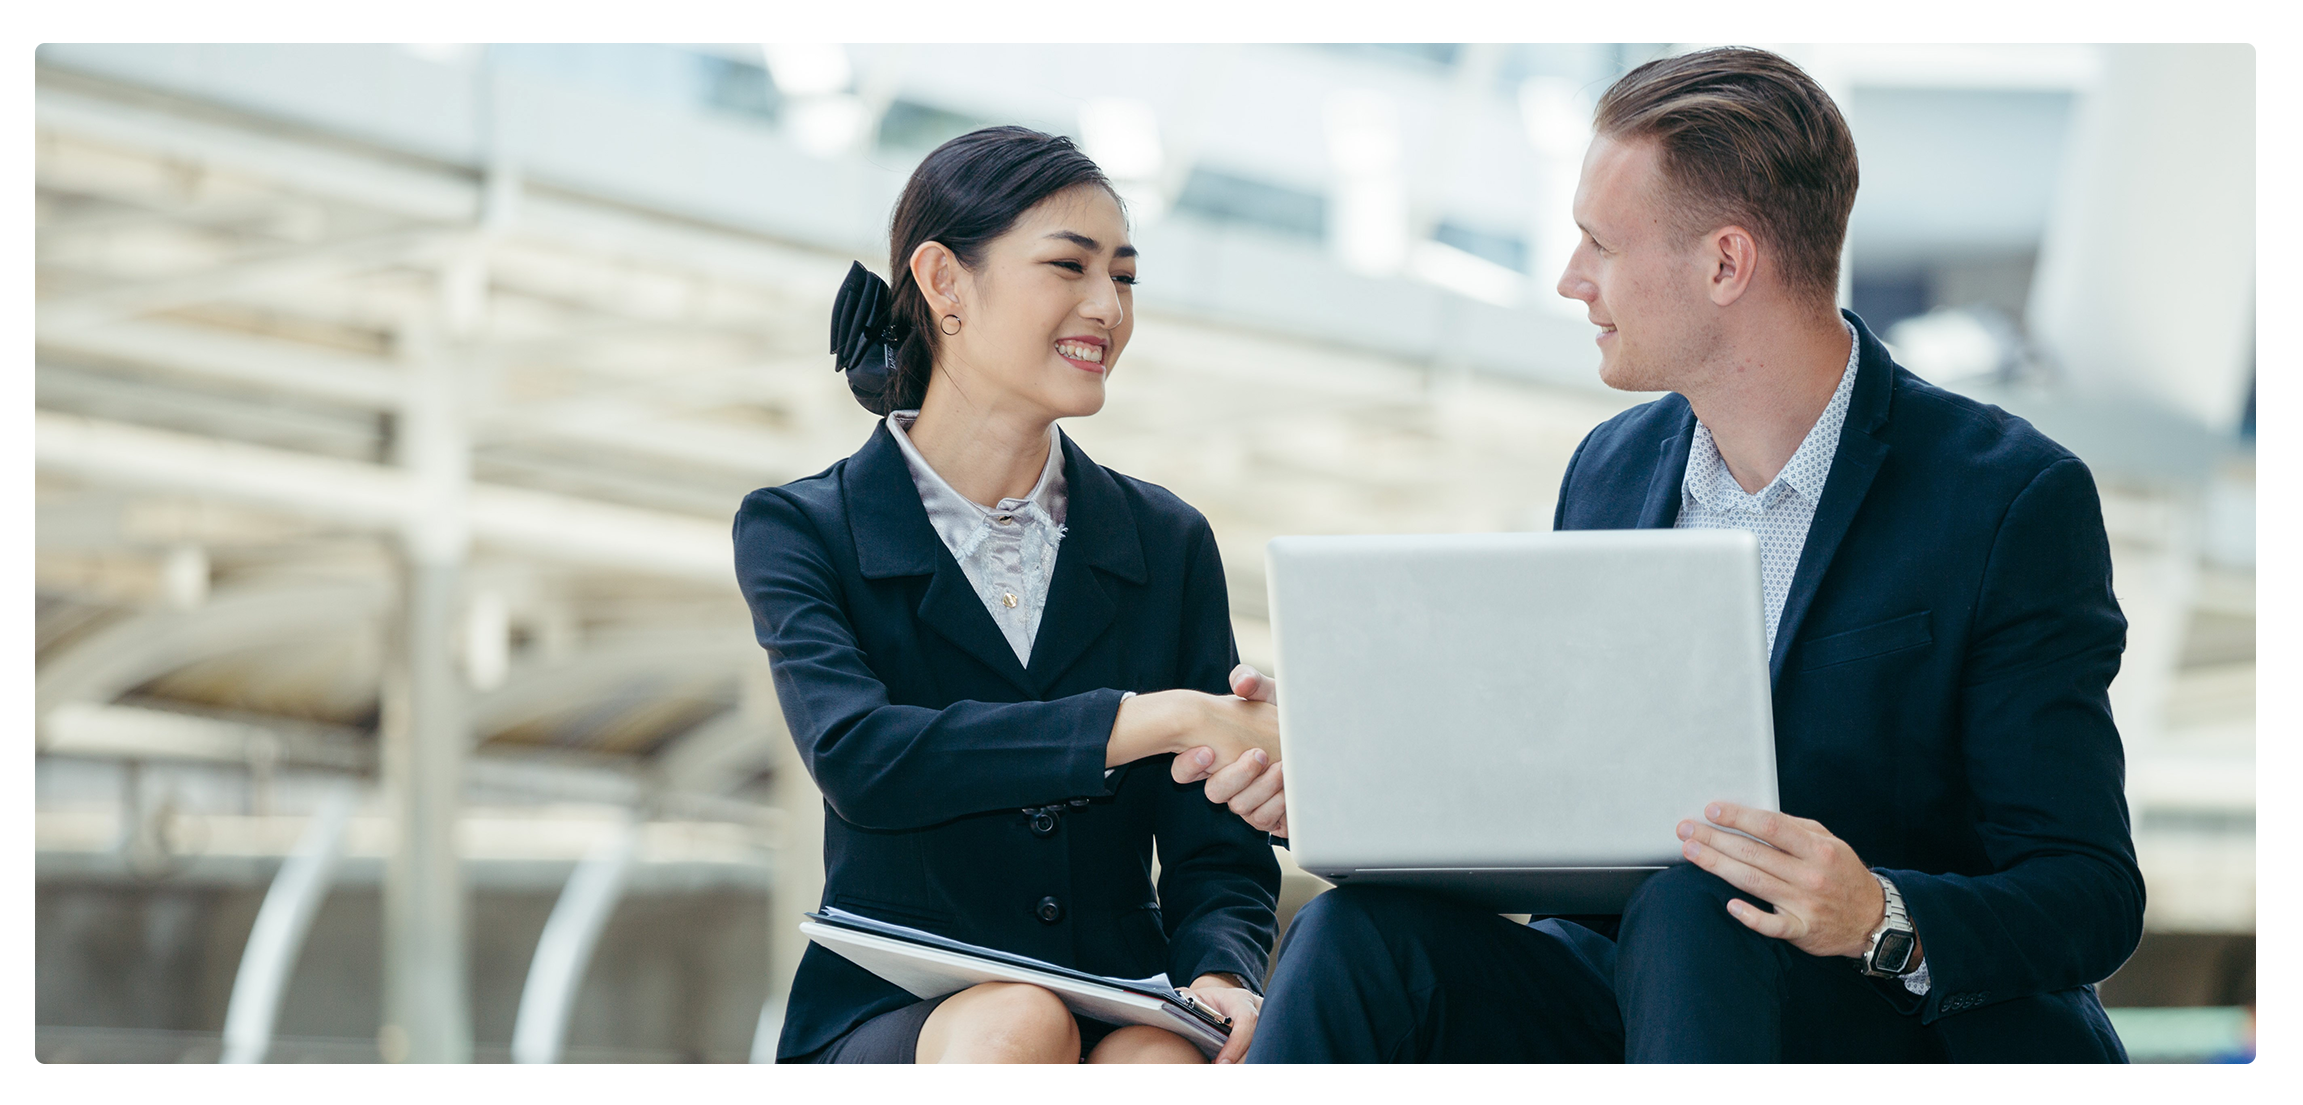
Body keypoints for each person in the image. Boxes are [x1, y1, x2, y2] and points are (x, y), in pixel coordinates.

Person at [1230, 47, 2143, 1062]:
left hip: (1887, 1025)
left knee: (1698, 903)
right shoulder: (1611, 472)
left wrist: (1874, 912)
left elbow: (2089, 891)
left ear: (1723, 262)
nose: (1571, 281)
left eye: (1598, 244)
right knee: (1358, 940)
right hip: (1642, 996)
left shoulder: (2004, 496)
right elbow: (1557, 799)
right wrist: (1348, 788)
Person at [733, 127, 1285, 1064]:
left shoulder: (1165, 539)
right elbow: (864, 757)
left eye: (1124, 275)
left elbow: (1214, 845)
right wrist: (1151, 718)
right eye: (1067, 266)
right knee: (1016, 1022)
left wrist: (1223, 971)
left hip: (1121, 997)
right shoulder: (804, 526)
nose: (1105, 306)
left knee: (1161, 1061)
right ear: (944, 282)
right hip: (895, 1013)